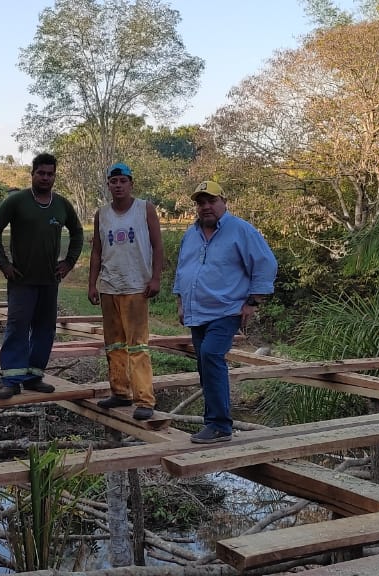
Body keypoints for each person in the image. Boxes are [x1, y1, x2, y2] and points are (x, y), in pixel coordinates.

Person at [173, 181, 278, 443]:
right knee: (203, 363)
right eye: (200, 202)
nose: (206, 207)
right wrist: (180, 301)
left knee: (211, 355)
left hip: (226, 310)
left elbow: (265, 264)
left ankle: (220, 425)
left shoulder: (241, 230)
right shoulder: (191, 234)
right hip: (197, 311)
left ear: (224, 201)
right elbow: (182, 268)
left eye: (211, 200)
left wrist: (253, 302)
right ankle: (213, 423)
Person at [0, 153, 85, 399]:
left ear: (54, 176)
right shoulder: (18, 201)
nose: (45, 177)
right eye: (41, 173)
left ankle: (33, 377)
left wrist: (69, 262)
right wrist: (4, 265)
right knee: (17, 327)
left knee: (44, 329)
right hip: (21, 279)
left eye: (50, 174)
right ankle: (11, 379)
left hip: (49, 281)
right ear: (32, 174)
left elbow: (77, 232)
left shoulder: (61, 205)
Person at [88, 163, 164, 420]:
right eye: (113, 181)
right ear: (108, 185)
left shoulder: (145, 209)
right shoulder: (103, 214)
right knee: (114, 344)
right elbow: (97, 250)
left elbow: (157, 245)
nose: (118, 185)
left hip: (136, 287)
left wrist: (155, 278)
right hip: (110, 286)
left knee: (138, 346)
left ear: (131, 183)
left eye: (123, 180)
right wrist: (92, 283)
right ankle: (120, 392)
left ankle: (144, 399)